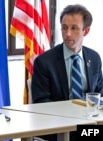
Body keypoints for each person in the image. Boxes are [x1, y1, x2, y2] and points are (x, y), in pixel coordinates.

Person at [31, 4, 103, 141]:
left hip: (89, 127)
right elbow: (41, 103)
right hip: (57, 127)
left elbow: (100, 95)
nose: (67, 33)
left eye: (74, 28)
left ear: (85, 31)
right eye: (64, 27)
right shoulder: (44, 62)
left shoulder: (94, 58)